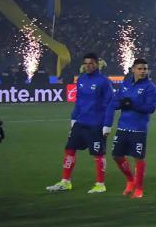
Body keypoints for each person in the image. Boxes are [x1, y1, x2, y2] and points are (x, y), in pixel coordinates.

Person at [48, 51, 115, 193]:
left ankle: (100, 184)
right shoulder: (81, 80)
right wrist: (74, 118)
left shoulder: (104, 81)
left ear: (97, 64)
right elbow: (78, 101)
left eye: (91, 63)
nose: (88, 66)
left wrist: (107, 124)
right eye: (85, 64)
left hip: (96, 124)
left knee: (98, 154)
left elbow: (111, 103)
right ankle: (65, 182)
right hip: (80, 122)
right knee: (69, 149)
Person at [110, 59, 156, 198]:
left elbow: (151, 108)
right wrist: (120, 104)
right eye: (140, 68)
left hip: (139, 128)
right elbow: (115, 102)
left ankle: (139, 188)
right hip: (122, 127)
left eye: (145, 69)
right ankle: (130, 180)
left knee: (138, 158)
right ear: (133, 69)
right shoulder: (125, 84)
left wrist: (132, 105)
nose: (143, 71)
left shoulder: (150, 87)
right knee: (117, 156)